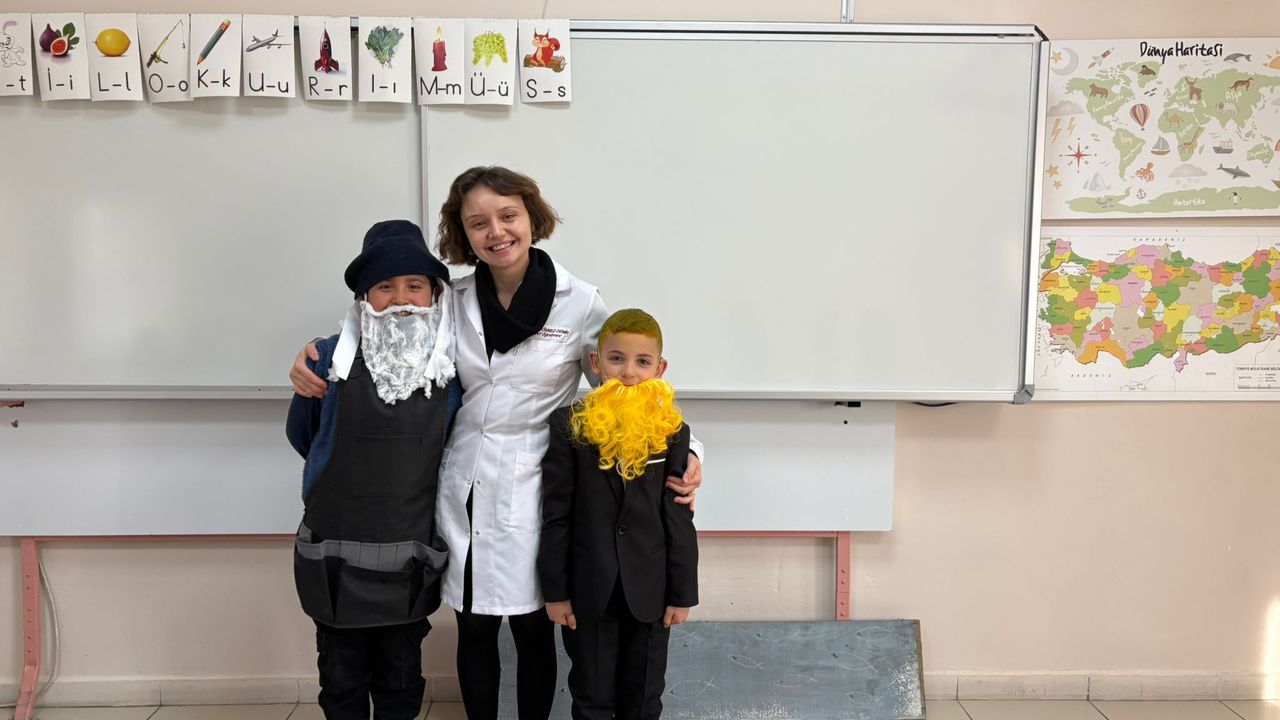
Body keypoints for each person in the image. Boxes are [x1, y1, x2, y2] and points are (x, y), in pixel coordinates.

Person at [289, 166, 703, 720]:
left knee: (534, 631)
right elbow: (384, 331)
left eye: (508, 216)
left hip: (540, 486)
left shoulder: (580, 303)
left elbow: (631, 383)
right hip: (461, 483)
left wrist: (690, 451)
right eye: (477, 223)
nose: (496, 232)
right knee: (474, 627)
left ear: (532, 218)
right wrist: (313, 353)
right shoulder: (451, 300)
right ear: (463, 234)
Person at [285, 220, 458, 720]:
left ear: (434, 295)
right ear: (364, 297)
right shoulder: (325, 359)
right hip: (335, 560)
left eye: (414, 286)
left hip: (410, 558)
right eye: (385, 286)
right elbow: (304, 436)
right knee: (340, 680)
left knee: (400, 680)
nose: (401, 299)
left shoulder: (453, 365)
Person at [538, 308, 697, 720]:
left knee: (643, 698)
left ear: (660, 369)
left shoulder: (673, 432)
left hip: (652, 592)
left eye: (643, 362)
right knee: (591, 697)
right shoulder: (568, 425)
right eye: (616, 359)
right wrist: (556, 592)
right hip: (590, 591)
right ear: (596, 363)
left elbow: (679, 516)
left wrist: (682, 594)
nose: (628, 372)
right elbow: (556, 513)